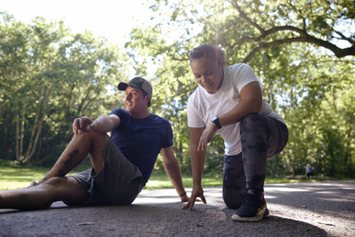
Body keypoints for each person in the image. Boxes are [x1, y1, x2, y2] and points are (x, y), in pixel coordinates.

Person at [0, 77, 189, 210]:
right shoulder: (122, 115)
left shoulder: (162, 125)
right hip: (99, 178)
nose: (127, 98)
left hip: (128, 184)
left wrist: (182, 196)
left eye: (134, 94)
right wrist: (94, 125)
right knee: (56, 185)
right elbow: (109, 120)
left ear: (147, 98)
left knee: (91, 134)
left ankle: (40, 182)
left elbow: (169, 161)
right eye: (126, 93)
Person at [182, 44, 289, 222]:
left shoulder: (239, 71)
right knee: (233, 201)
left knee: (250, 119)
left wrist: (216, 122)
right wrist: (196, 185)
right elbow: (196, 144)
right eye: (197, 76)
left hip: (272, 134)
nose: (204, 80)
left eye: (209, 72)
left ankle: (257, 198)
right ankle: (252, 200)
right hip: (236, 149)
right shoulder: (195, 101)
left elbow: (253, 102)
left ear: (221, 63)